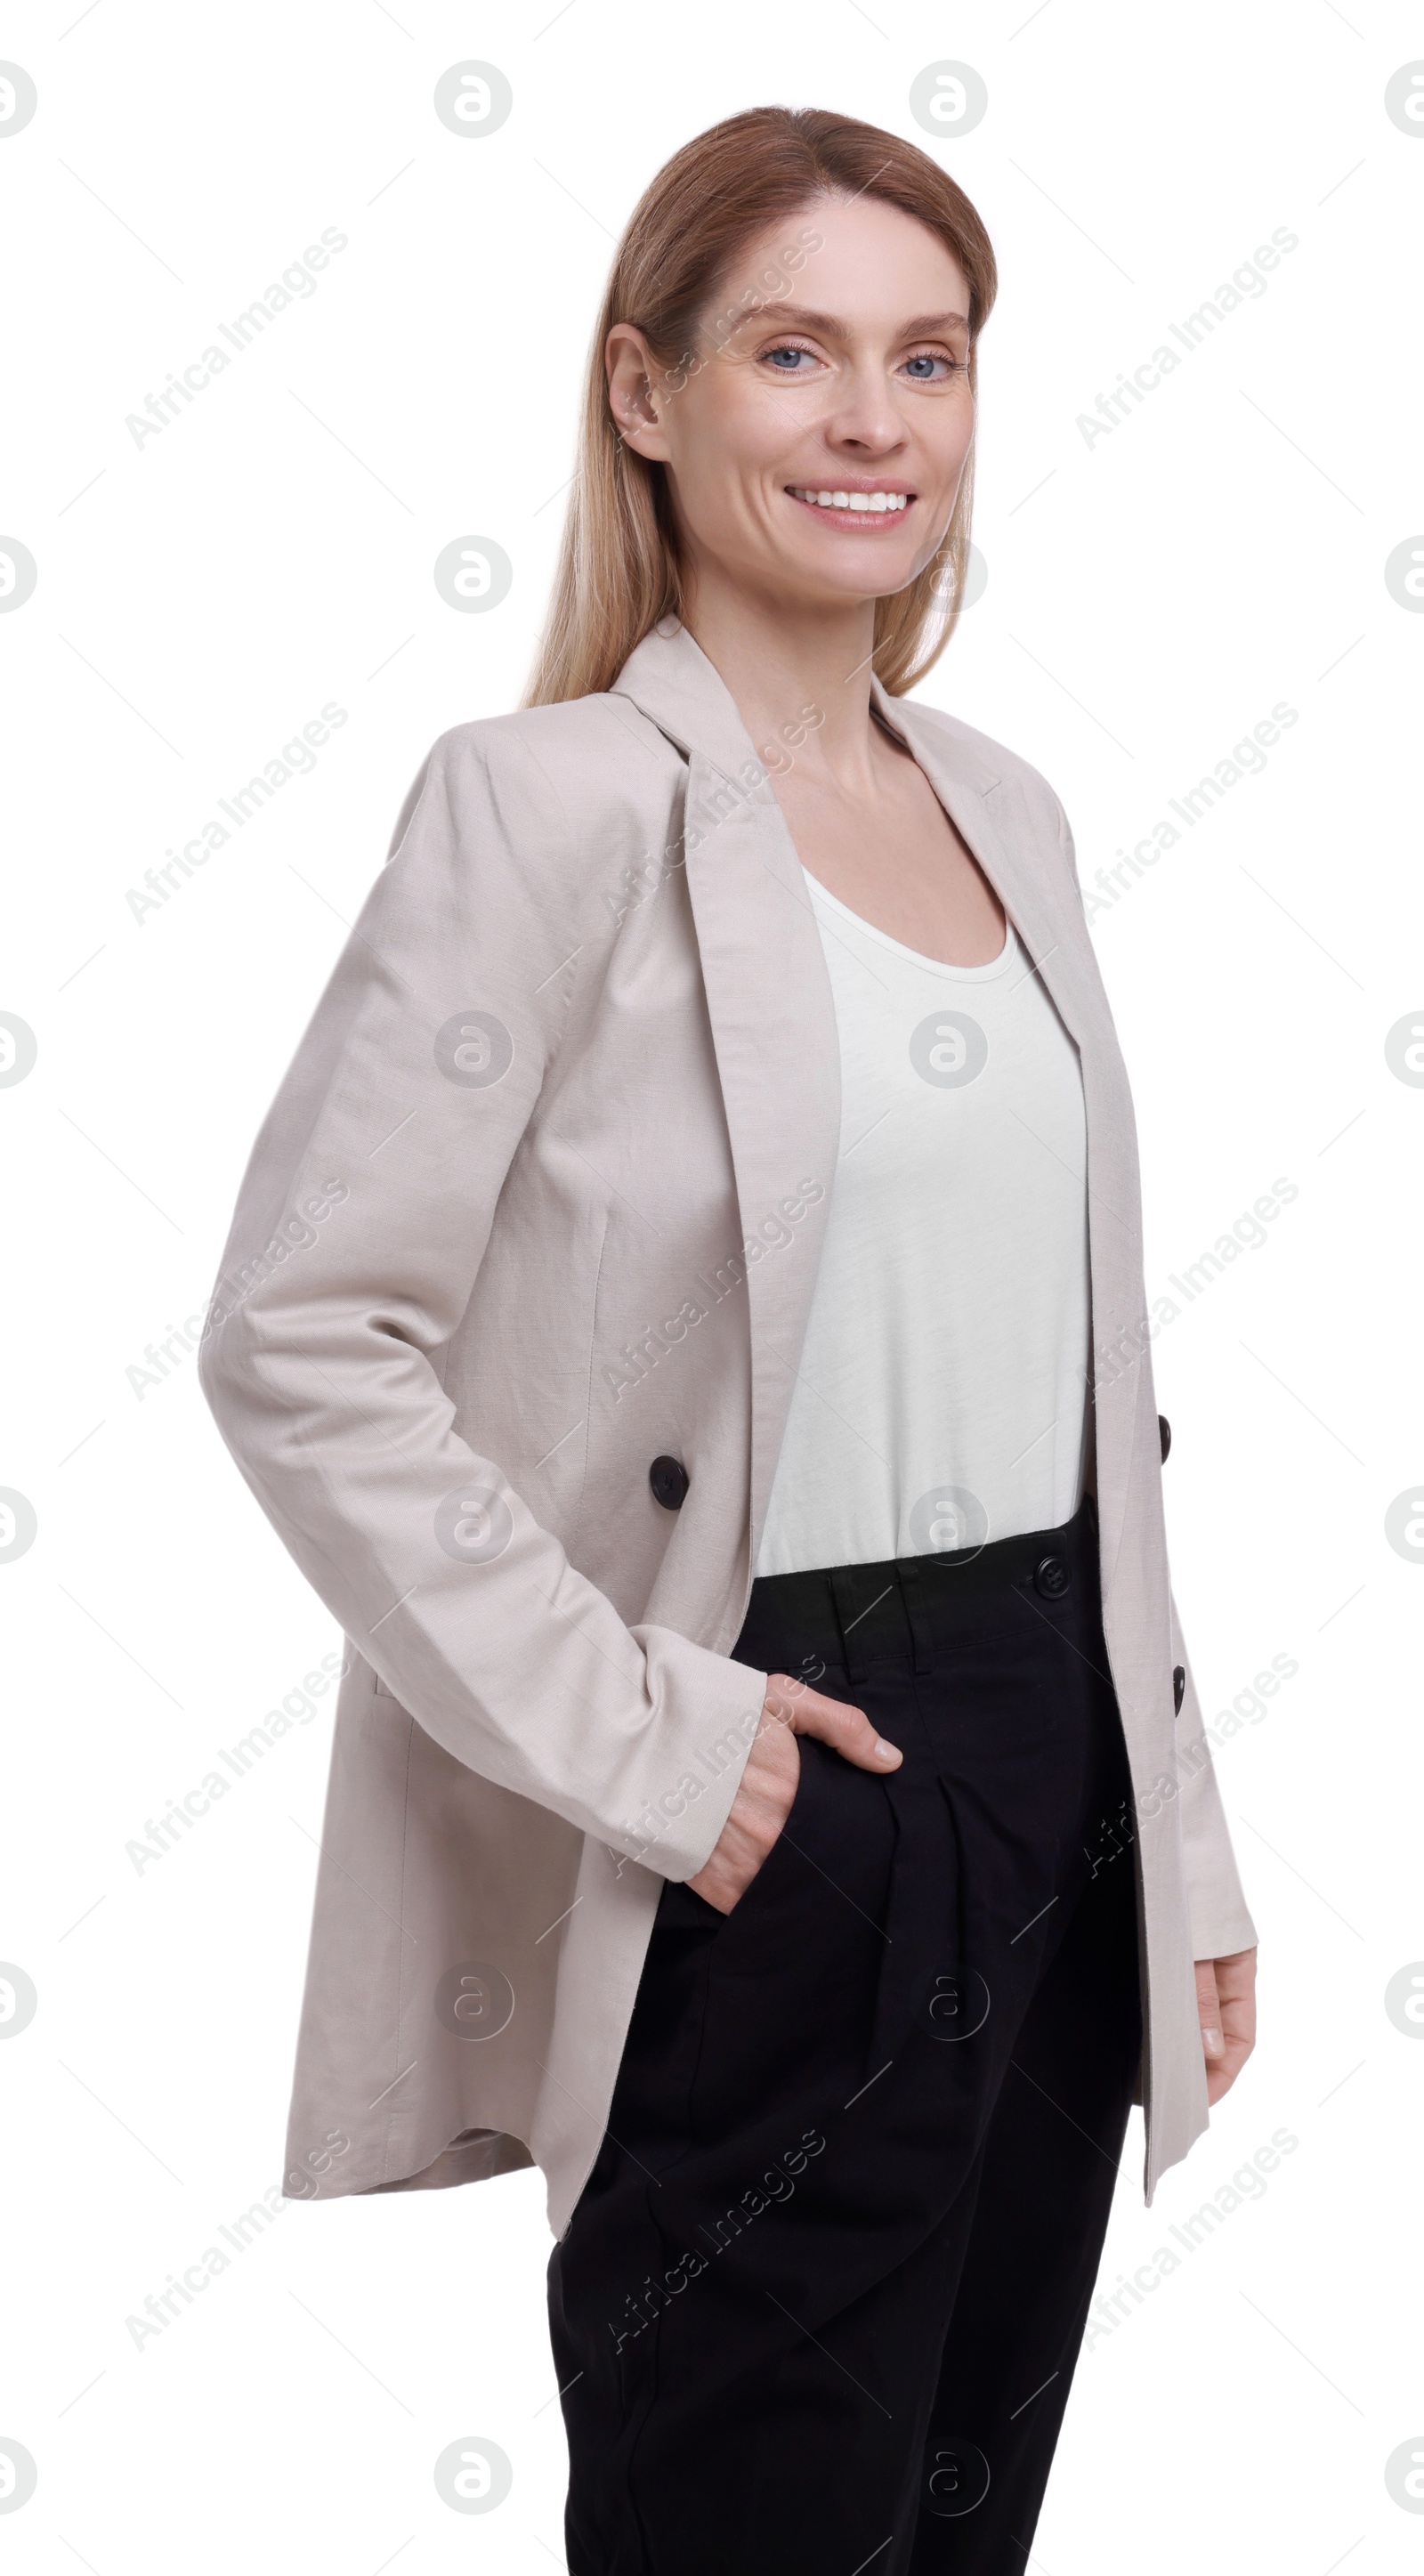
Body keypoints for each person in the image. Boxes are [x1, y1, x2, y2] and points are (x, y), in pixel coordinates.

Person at [199, 103, 1258, 2575]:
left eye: (932, 357)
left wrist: (1178, 1845)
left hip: (1049, 1761)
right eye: (797, 352)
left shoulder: (1005, 803)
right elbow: (301, 1336)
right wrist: (669, 1750)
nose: (878, 422)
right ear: (646, 394)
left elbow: (1080, 1382)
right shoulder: (543, 807)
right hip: (782, 1780)